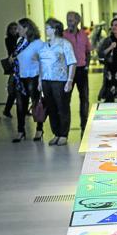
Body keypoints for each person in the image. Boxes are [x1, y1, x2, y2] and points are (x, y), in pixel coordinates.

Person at [38, 18, 77, 146]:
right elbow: (41, 65)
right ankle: (56, 133)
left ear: (54, 29)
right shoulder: (44, 46)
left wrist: (70, 81)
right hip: (46, 81)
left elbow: (72, 62)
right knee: (51, 108)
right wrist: (40, 81)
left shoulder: (64, 44)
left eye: (48, 28)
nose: (46, 30)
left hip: (60, 80)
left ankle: (63, 134)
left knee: (62, 107)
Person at [11, 18, 44, 143]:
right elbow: (17, 56)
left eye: (19, 28)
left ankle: (39, 130)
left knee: (36, 104)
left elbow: (43, 62)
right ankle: (21, 131)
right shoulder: (20, 41)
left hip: (33, 77)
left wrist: (41, 81)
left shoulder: (38, 43)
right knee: (20, 105)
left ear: (26, 29)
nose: (17, 30)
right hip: (20, 77)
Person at [63, 11, 91, 136]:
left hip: (81, 70)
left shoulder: (84, 35)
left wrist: (87, 66)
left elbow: (88, 51)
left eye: (71, 19)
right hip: (68, 71)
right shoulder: (63, 35)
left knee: (84, 99)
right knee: (65, 100)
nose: (69, 22)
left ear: (77, 21)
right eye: (68, 19)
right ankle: (65, 129)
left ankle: (84, 126)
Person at [3, 22, 19, 118]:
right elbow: (12, 51)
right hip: (14, 66)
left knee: (20, 88)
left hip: (20, 65)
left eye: (15, 28)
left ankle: (7, 110)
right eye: (11, 29)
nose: (13, 30)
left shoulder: (20, 38)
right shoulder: (8, 40)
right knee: (12, 89)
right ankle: (7, 109)